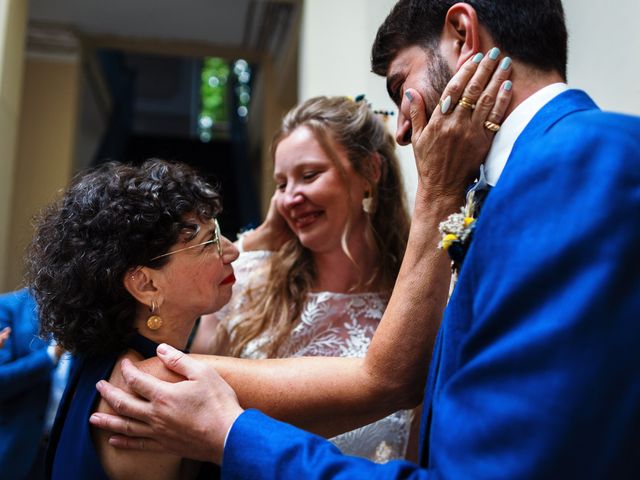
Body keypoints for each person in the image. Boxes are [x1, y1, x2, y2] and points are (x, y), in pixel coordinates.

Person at [91, 0, 640, 477]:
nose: (402, 129)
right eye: (281, 183)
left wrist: (233, 435)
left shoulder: (574, 165)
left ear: (462, 35)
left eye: (403, 88)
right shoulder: (521, 184)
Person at [191, 95, 414, 462]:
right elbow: (193, 401)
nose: (290, 198)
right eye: (281, 184)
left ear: (370, 172)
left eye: (309, 175)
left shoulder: (410, 302)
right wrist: (258, 240)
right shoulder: (245, 283)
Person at [25, 159, 239, 479]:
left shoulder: (106, 359)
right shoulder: (148, 386)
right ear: (146, 284)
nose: (232, 250)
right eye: (209, 242)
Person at [0, 288, 67, 479]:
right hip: (16, 451)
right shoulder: (8, 306)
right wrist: (52, 355)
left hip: (68, 448)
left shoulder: (94, 308)